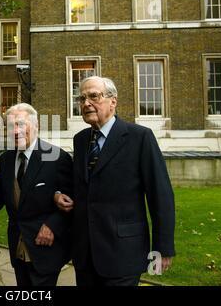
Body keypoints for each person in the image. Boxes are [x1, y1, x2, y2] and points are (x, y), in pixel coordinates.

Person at [55, 76, 175, 286]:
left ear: (113, 101)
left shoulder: (140, 137)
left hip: (123, 254)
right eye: (81, 98)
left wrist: (162, 248)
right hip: (85, 254)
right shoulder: (81, 140)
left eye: (93, 96)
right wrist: (59, 195)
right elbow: (84, 186)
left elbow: (160, 195)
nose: (86, 103)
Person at [0, 103, 73, 286]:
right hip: (17, 244)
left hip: (46, 247)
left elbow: (71, 200)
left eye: (21, 124)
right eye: (10, 126)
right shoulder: (6, 159)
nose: (16, 131)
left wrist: (52, 226)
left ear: (35, 126)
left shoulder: (57, 157)